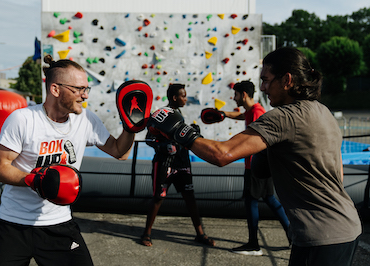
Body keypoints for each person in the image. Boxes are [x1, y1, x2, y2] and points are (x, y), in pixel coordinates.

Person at [148, 47, 362, 265]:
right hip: (346, 226)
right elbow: (339, 175)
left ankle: (253, 242)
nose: (262, 88)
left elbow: (222, 154)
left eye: (266, 80)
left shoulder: (283, 117)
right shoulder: (323, 111)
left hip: (320, 235)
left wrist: (179, 131)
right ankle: (253, 241)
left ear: (287, 80)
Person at [0, 55, 143, 265]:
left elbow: (119, 152)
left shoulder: (86, 120)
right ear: (55, 89)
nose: (85, 95)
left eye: (87, 89)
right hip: (13, 225)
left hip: (58, 224)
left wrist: (130, 128)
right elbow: (0, 168)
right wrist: (36, 180)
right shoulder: (23, 119)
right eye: (79, 89)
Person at [141, 83, 215, 247]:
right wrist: (162, 146)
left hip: (182, 162)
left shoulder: (179, 114)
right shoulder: (160, 115)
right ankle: (146, 233)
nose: (185, 98)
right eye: (183, 95)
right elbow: (148, 138)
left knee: (190, 198)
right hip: (164, 162)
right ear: (175, 98)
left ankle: (200, 234)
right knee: (158, 198)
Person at [222, 81, 290, 256]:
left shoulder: (257, 112)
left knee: (251, 201)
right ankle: (292, 235)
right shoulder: (252, 111)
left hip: (255, 166)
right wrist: (223, 114)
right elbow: (241, 116)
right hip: (262, 164)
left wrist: (228, 151)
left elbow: (252, 140)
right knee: (270, 199)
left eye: (236, 94)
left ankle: (253, 244)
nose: (234, 98)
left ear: (243, 94)